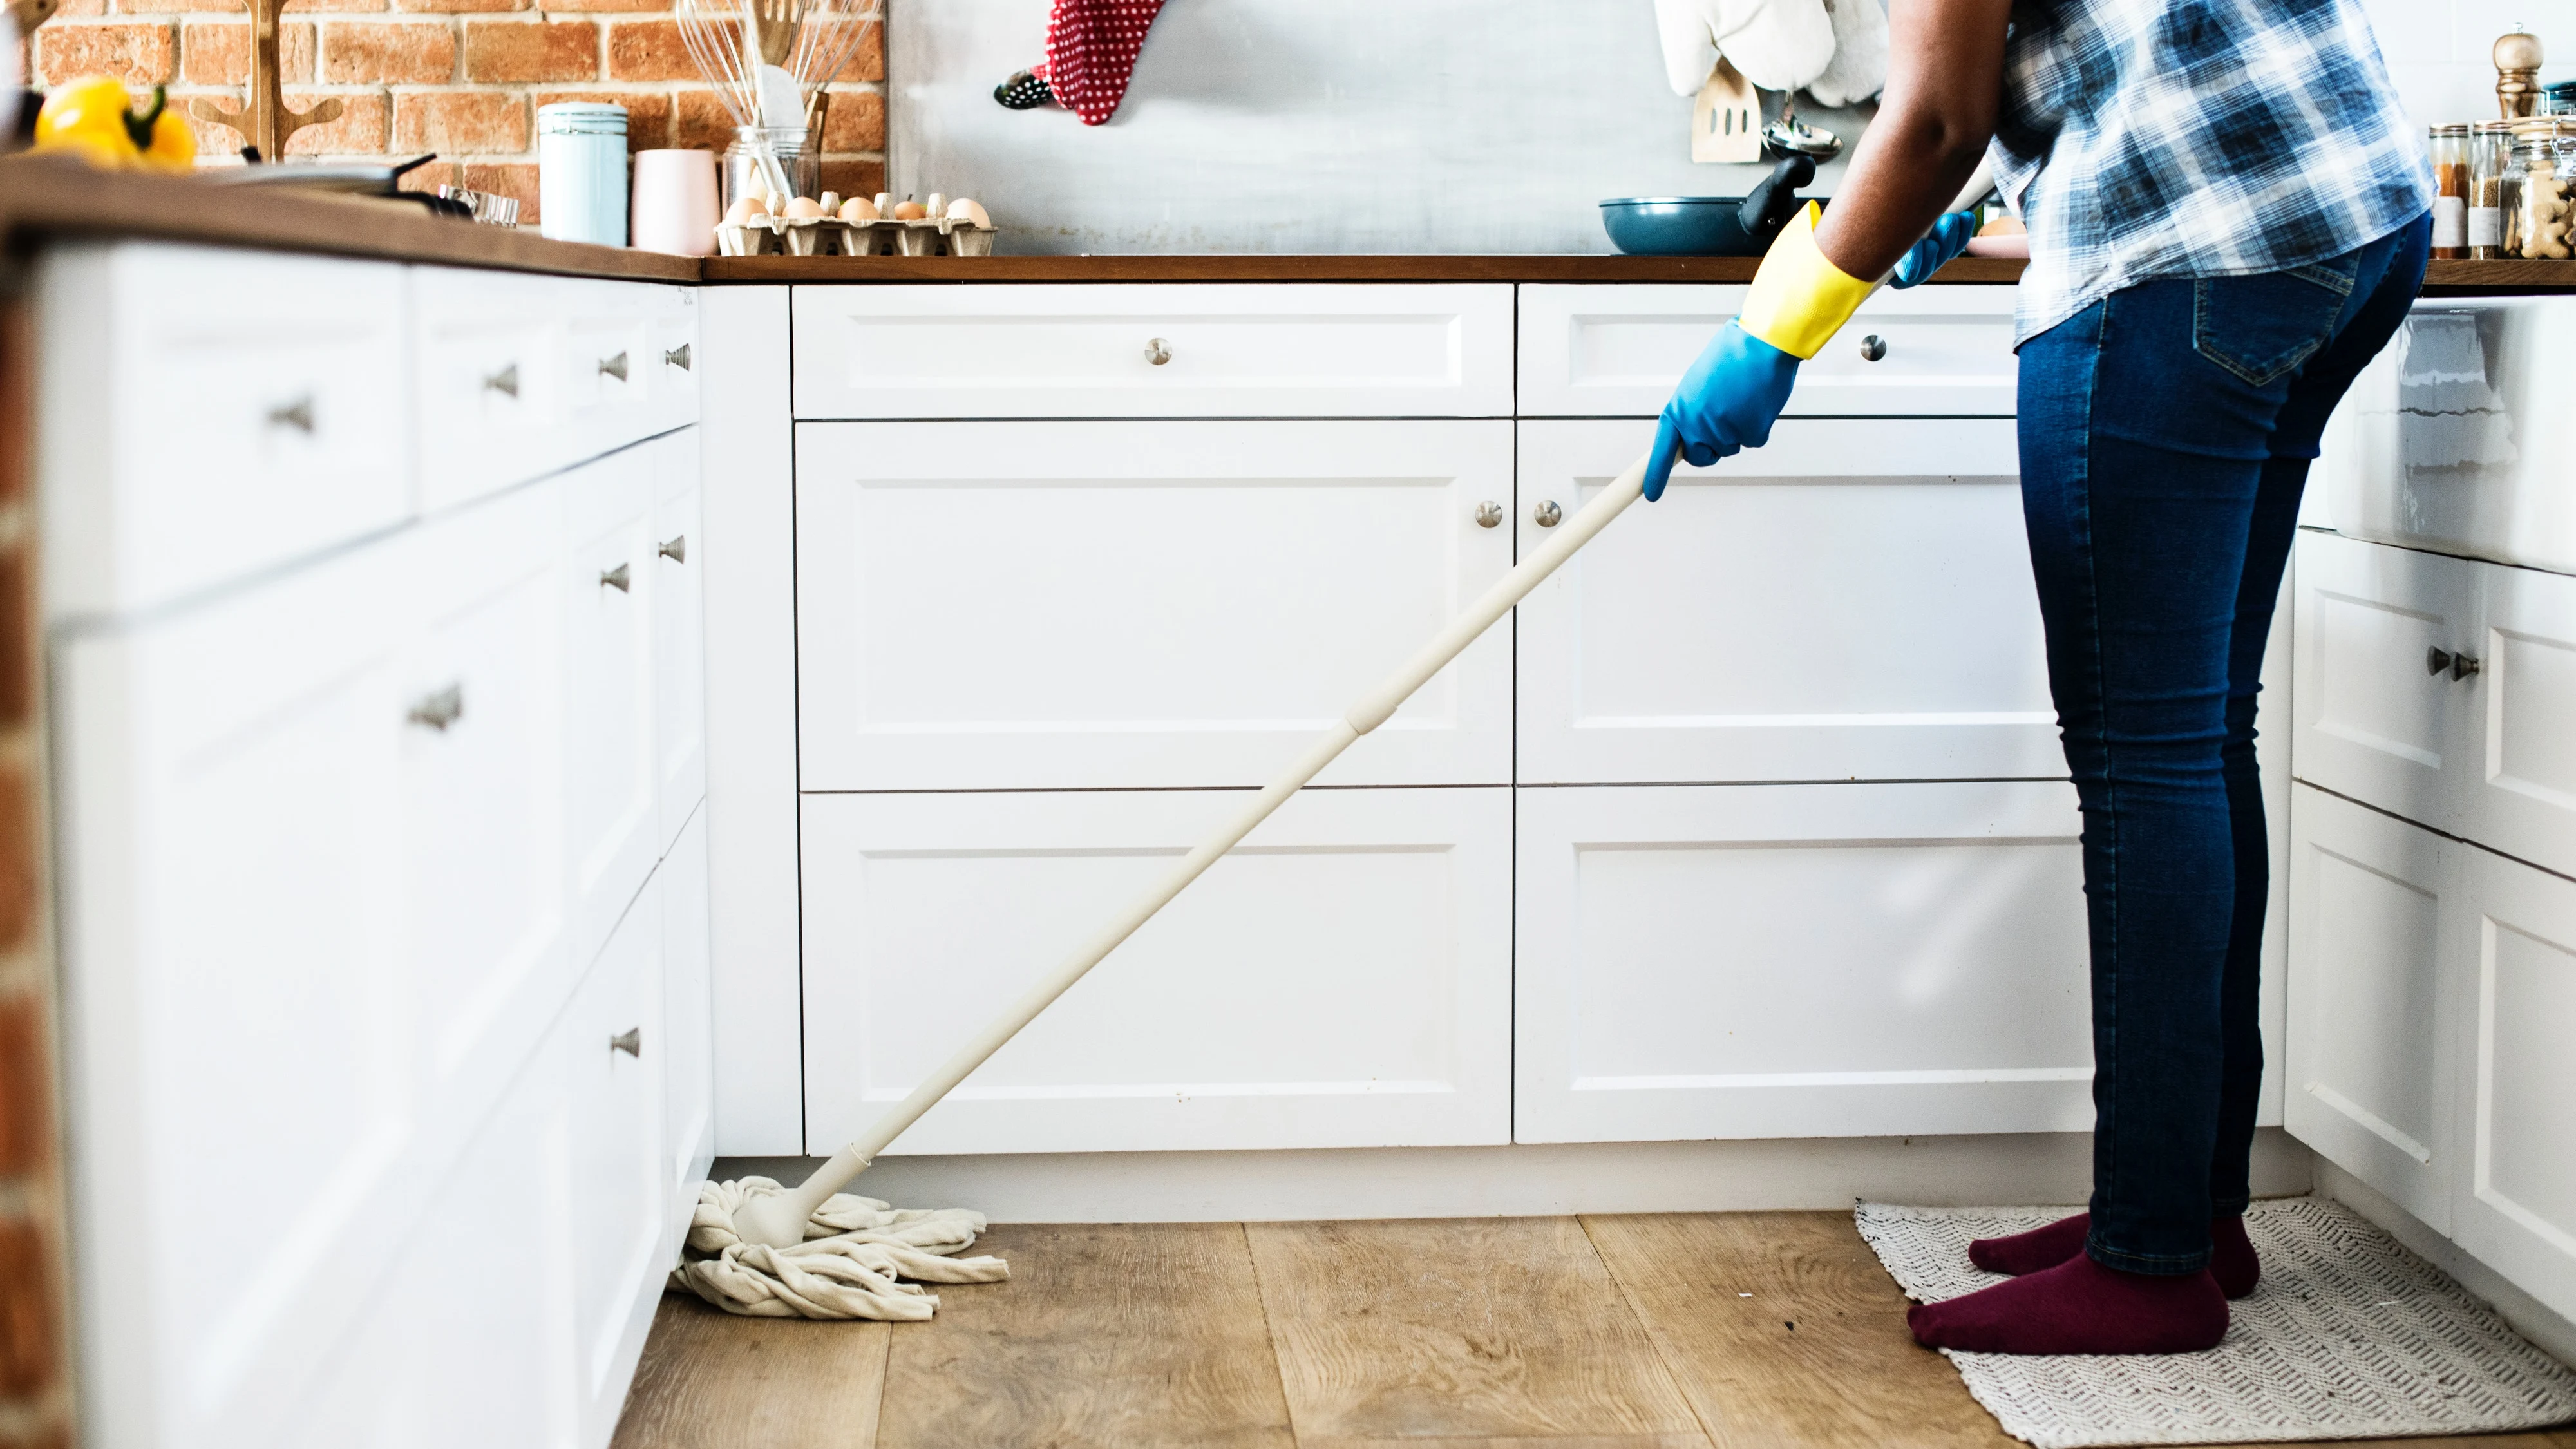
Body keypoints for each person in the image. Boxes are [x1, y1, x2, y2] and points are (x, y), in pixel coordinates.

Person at [1650, 0, 2434, 1356]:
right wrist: (2020, 198)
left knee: (2145, 759)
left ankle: (2146, 1266)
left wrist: (1774, 327)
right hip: (2344, 223)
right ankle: (2186, 1205)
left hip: (2191, 258)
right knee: (2197, 739)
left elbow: (1937, 115)